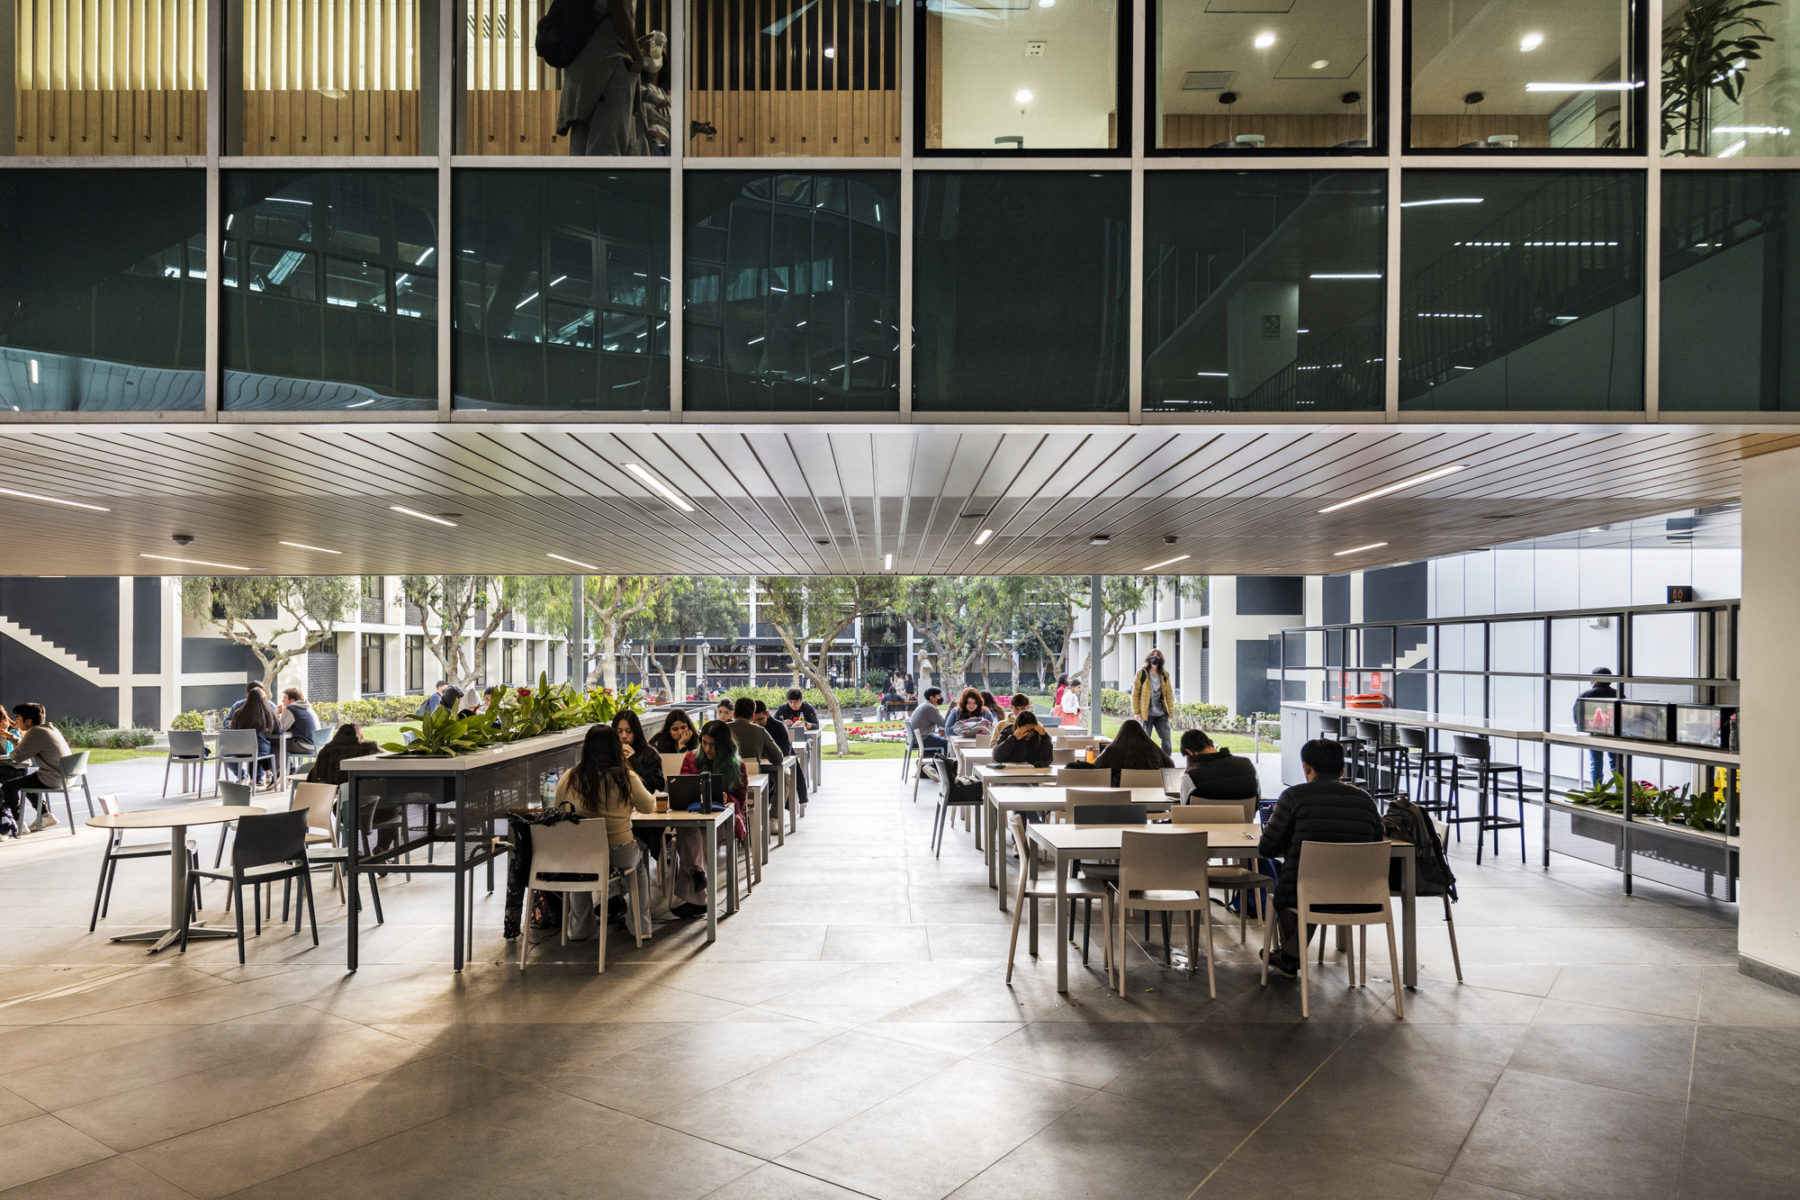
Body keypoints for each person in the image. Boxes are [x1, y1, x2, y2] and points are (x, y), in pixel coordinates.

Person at [1257, 738, 1386, 978]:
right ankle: (1289, 955)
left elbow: (1266, 848)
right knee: (1312, 882)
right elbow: (1377, 844)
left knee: (1294, 883)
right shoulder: (1366, 800)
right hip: (1360, 896)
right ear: (1343, 770)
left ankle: (1290, 955)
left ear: (1306, 767)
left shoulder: (1294, 797)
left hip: (1308, 896)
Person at [554, 724, 656, 940]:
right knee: (637, 867)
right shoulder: (626, 777)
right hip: (620, 852)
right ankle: (641, 926)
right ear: (615, 747)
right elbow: (648, 807)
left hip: (582, 852)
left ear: (586, 748)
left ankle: (580, 927)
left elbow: (558, 812)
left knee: (579, 865)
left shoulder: (569, 777)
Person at [674, 721, 748, 917]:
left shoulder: (737, 766)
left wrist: (727, 798)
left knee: (698, 837)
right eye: (704, 743)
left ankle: (698, 895)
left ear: (723, 746)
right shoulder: (691, 758)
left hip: (723, 820)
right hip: (693, 816)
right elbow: (683, 786)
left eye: (713, 745)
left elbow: (740, 801)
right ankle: (698, 875)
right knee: (688, 829)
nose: (707, 748)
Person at [557, 0, 649, 156]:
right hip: (609, 71)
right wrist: (637, 57)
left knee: (580, 149)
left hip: (580, 77)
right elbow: (618, 7)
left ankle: (583, 181)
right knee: (607, 149)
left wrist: (628, 45)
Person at [0, 703, 71, 835]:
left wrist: (11, 749)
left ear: (28, 721)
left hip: (53, 778)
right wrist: (11, 737)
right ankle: (45, 815)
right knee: (26, 780)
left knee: (8, 786)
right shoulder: (49, 729)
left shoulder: (35, 733)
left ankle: (17, 823)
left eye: (17, 718)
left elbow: (18, 757)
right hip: (64, 776)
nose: (15, 721)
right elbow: (26, 748)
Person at [1178, 728, 1260, 804]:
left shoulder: (1191, 777)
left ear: (1189, 752)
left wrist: (1190, 768)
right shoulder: (1247, 765)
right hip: (1244, 819)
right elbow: (1257, 799)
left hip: (1204, 819)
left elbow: (1185, 810)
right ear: (1211, 742)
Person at [753, 699, 808, 807]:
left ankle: (775, 817)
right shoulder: (750, 729)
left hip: (778, 765)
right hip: (758, 767)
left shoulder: (778, 726)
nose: (757, 723)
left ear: (767, 714)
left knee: (782, 778)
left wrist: (766, 754)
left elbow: (786, 750)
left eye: (761, 719)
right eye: (754, 720)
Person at [1577, 667, 1623, 784]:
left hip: (1595, 735)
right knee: (1616, 764)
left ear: (1595, 680)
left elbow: (1577, 715)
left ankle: (1597, 793)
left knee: (1596, 763)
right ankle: (1621, 794)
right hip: (1615, 735)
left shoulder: (1586, 695)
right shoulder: (1618, 694)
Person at [228, 684, 278, 785]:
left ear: (248, 696)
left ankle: (254, 778)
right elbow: (279, 730)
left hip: (240, 750)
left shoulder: (238, 713)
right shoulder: (268, 712)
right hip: (260, 751)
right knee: (266, 748)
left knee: (255, 748)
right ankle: (268, 774)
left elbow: (232, 730)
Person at [306, 722, 380, 785]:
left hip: (328, 791)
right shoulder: (366, 749)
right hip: (356, 790)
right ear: (358, 737)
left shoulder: (326, 750)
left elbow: (315, 776)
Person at [1132, 648, 1176, 755]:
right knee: (1145, 741)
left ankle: (1166, 761)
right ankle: (1144, 762)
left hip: (1161, 713)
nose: (1155, 657)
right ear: (1148, 658)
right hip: (1146, 714)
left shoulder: (1165, 674)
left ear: (1161, 659)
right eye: (1153, 655)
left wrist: (1170, 710)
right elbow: (1135, 694)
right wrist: (1136, 712)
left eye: (1157, 655)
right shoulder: (1141, 673)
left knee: (1166, 740)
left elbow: (1169, 693)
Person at [613, 709, 664, 793]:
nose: (624, 736)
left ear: (636, 732)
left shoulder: (649, 754)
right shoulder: (609, 753)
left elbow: (658, 787)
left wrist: (633, 761)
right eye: (619, 731)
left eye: (629, 731)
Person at [728, 697, 782, 773]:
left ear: (733, 714)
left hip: (725, 779)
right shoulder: (760, 731)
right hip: (753, 777)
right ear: (753, 716)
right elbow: (778, 759)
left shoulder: (721, 729)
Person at [278, 687, 320, 756]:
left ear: (291, 700)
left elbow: (281, 729)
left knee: (277, 742)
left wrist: (277, 713)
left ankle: (279, 766)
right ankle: (290, 765)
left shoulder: (290, 708)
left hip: (304, 746)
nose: (283, 700)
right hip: (316, 746)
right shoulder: (308, 707)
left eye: (285, 698)